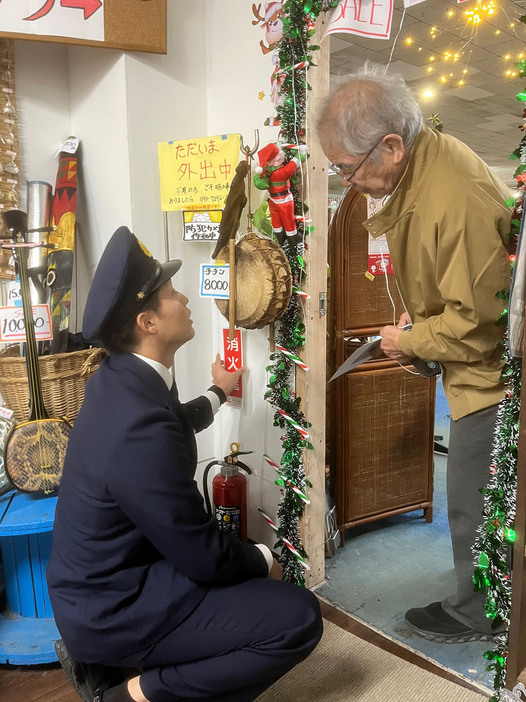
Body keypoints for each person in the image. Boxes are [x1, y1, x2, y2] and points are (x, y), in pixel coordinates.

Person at [47, 225, 322, 702]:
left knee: (246, 594)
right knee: (297, 618)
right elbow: (200, 554)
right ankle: (129, 694)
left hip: (109, 583)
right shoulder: (138, 426)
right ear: (147, 323)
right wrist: (263, 559)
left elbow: (174, 419)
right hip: (116, 606)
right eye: (171, 293)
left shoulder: (124, 378)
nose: (185, 299)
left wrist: (219, 391)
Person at [317, 63, 512, 644]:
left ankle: (481, 613)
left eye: (346, 170)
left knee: (474, 504)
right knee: (477, 501)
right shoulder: (424, 173)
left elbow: (479, 326)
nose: (346, 182)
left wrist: (409, 340)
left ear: (392, 146)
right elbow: (451, 284)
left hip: (490, 381)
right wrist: (416, 318)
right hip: (472, 372)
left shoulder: (455, 196)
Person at [253, 142, 305, 246]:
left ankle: (280, 238)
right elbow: (292, 166)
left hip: (273, 200)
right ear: (277, 158)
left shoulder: (267, 171)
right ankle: (293, 238)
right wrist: (301, 154)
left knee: (276, 220)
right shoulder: (280, 172)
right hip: (284, 200)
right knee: (288, 219)